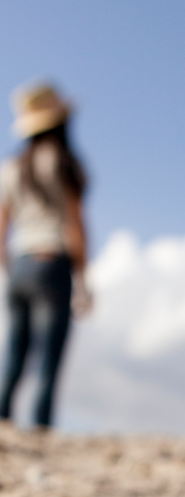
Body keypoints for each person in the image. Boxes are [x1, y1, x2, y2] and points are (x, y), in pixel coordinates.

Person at [0, 81, 90, 429]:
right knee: (48, 359)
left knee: (14, 353)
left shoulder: (10, 168)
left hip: (21, 263)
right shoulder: (65, 164)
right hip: (53, 262)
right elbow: (76, 226)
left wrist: (9, 268)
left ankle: (4, 426)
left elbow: (2, 226)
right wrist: (83, 280)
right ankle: (39, 431)